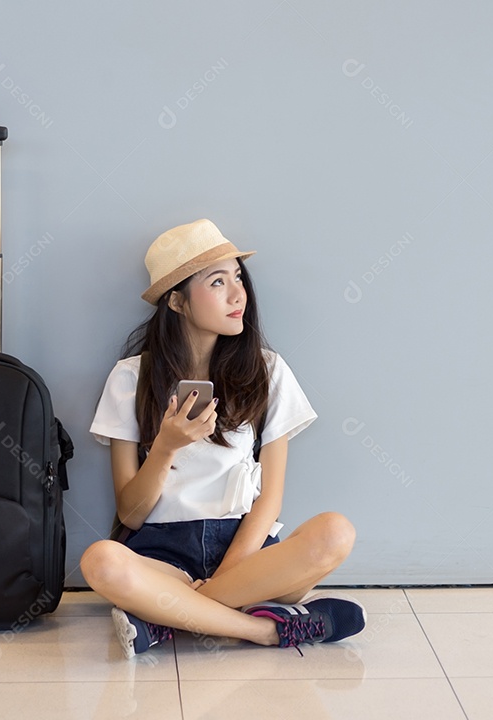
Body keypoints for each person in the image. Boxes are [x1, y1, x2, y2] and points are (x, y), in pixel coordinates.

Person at [82, 218, 366, 659]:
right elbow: (130, 514)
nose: (238, 295)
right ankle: (266, 630)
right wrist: (165, 447)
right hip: (163, 554)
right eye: (217, 282)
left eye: (238, 277)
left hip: (245, 549)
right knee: (100, 561)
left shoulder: (267, 370)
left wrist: (227, 573)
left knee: (335, 532)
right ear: (176, 301)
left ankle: (166, 618)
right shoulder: (130, 379)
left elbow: (270, 498)